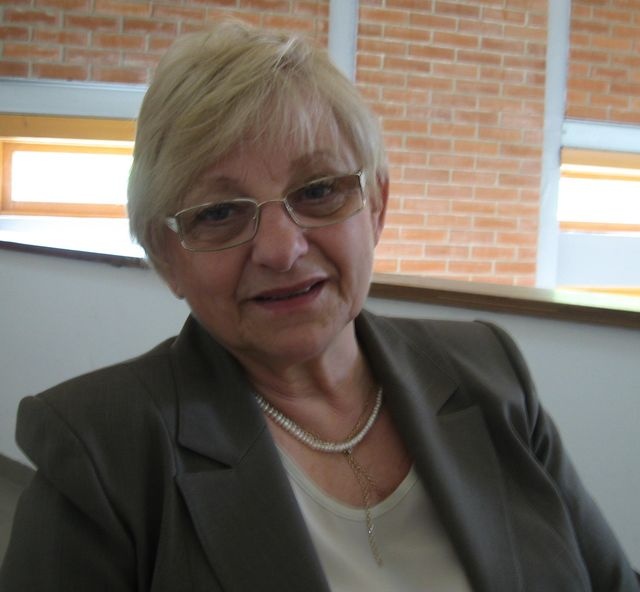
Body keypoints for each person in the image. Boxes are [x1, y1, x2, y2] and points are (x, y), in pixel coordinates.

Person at [0, 20, 638, 592]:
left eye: (318, 190)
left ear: (377, 206)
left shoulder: (489, 371)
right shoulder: (99, 452)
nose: (282, 250)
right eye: (218, 213)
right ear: (168, 257)